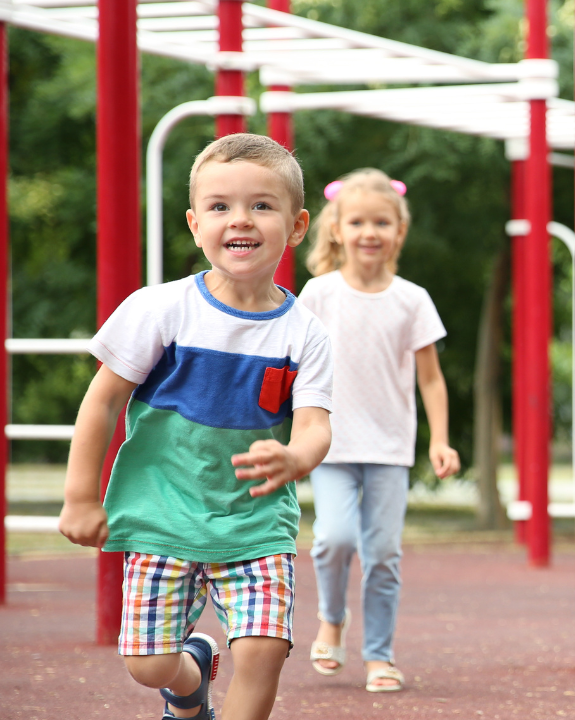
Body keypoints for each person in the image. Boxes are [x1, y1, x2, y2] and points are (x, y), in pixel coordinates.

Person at [57, 133, 333, 720]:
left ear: (298, 224)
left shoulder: (305, 333)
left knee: (263, 653)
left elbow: (313, 425)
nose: (242, 219)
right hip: (162, 517)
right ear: (193, 223)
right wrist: (81, 496)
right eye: (220, 206)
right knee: (148, 664)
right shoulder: (160, 309)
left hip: (255, 526)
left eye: (262, 205)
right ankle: (189, 682)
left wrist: (297, 457)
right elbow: (102, 401)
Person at [299, 169, 461, 693]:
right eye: (359, 221)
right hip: (330, 443)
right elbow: (293, 365)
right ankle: (331, 618)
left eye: (382, 223)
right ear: (337, 230)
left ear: (399, 232)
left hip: (390, 447)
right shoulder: (318, 294)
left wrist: (439, 439)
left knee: (384, 555)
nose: (371, 232)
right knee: (333, 538)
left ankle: (379, 657)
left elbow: (431, 380)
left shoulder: (412, 299)